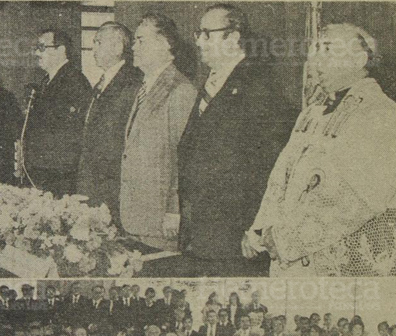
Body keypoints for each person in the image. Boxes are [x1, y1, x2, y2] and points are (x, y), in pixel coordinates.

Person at [245, 24, 396, 276]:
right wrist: (261, 229)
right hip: (290, 260)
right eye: (316, 51)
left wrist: (285, 238)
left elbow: (358, 198)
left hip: (346, 261)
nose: (316, 61)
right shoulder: (313, 112)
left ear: (359, 60)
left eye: (328, 51)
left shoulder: (382, 114)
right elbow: (281, 176)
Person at [177, 4, 294, 276]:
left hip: (235, 239)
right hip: (204, 233)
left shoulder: (258, 86)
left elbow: (270, 165)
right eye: (198, 33)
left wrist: (255, 230)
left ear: (233, 37)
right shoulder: (212, 82)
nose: (198, 41)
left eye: (207, 34)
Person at [119, 13, 197, 251]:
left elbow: (183, 158)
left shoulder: (181, 90)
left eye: (141, 40)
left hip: (160, 222)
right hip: (137, 216)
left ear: (165, 44)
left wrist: (173, 210)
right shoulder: (145, 86)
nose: (133, 47)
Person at [77, 22, 143, 220]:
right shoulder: (102, 81)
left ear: (117, 47)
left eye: (98, 42)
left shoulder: (133, 81)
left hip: (111, 186)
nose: (93, 49)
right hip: (91, 181)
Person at [23, 29, 92, 196]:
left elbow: (71, 132)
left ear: (61, 50)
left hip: (59, 173)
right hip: (43, 169)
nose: (37, 52)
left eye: (42, 47)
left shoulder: (74, 80)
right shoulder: (47, 80)